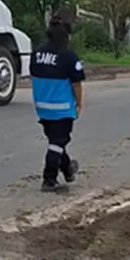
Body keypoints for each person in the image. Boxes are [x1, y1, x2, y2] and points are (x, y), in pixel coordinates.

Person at [30, 15, 84, 192]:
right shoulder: (68, 56)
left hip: (42, 108)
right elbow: (76, 83)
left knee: (56, 142)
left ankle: (68, 169)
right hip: (61, 108)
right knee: (57, 143)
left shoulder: (37, 53)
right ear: (67, 35)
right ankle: (49, 179)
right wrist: (79, 103)